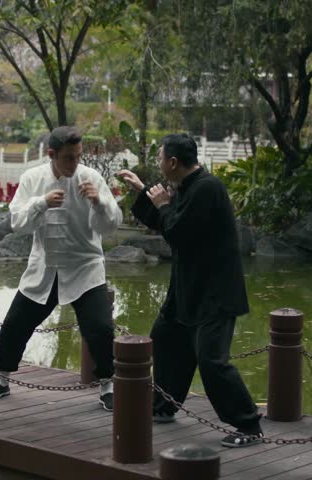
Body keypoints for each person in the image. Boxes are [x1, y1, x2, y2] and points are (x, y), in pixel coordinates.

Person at [116, 134, 263, 447]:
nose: (159, 163)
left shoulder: (207, 188)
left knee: (212, 362)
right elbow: (169, 226)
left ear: (172, 162)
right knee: (167, 341)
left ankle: (249, 426)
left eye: (160, 158)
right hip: (187, 290)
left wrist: (163, 204)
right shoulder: (188, 188)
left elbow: (178, 232)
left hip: (214, 293)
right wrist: (143, 192)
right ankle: (163, 405)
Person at [0, 126, 123, 411]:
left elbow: (111, 224)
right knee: (14, 325)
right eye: (69, 158)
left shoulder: (91, 178)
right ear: (52, 155)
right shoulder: (32, 179)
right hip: (44, 267)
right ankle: (2, 379)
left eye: (78, 157)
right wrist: (41, 203)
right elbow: (18, 222)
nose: (75, 163)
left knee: (100, 328)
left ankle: (107, 385)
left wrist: (99, 202)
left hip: (85, 266)